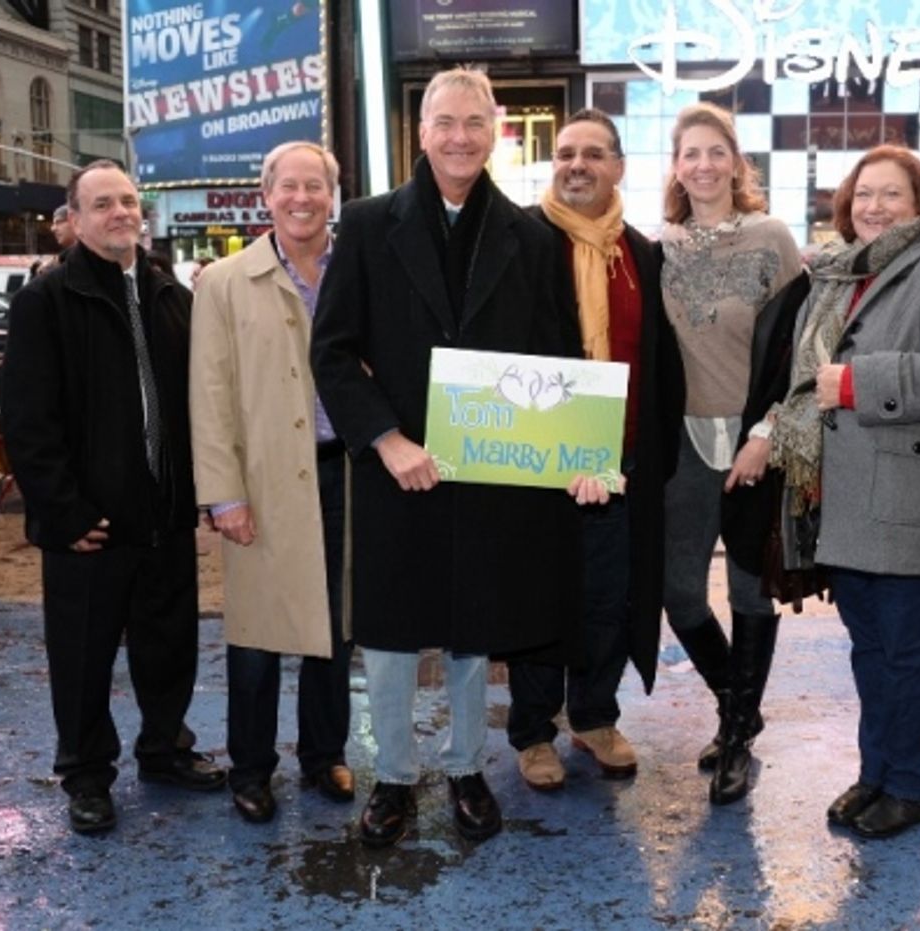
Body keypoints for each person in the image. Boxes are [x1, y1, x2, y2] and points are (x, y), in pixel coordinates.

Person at [312, 66, 590, 848]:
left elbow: (560, 360)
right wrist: (386, 438)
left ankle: (467, 767)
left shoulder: (534, 237)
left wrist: (574, 452)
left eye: (474, 122)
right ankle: (394, 777)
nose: (460, 137)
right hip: (397, 467)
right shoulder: (368, 224)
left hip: (491, 471)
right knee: (392, 634)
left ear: (495, 132)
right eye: (445, 122)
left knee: (474, 628)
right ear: (422, 131)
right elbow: (332, 351)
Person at [768, 145, 920, 839]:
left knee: (912, 658)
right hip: (855, 503)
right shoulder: (845, 272)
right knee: (871, 652)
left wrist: (855, 383)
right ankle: (876, 773)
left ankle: (909, 786)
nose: (874, 207)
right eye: (863, 195)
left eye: (890, 194)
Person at [1, 159, 226, 836]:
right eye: (102, 204)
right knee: (82, 656)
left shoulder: (170, 295)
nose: (120, 212)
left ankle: (165, 747)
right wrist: (63, 510)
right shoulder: (46, 301)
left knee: (169, 644)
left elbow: (198, 402)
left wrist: (198, 494)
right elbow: (28, 421)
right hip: (88, 524)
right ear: (73, 219)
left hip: (163, 516)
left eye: (128, 200)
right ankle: (86, 774)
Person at [505, 109, 682, 790]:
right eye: (566, 153)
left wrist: (653, 456)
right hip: (538, 462)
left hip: (620, 463)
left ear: (619, 168)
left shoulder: (641, 254)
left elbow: (659, 359)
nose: (576, 164)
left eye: (593, 154)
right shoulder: (521, 239)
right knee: (537, 597)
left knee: (609, 598)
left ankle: (595, 716)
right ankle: (532, 731)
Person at [190, 141, 354, 824]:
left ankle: (325, 754)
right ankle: (252, 767)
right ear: (266, 195)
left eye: (315, 185)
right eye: (288, 186)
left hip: (343, 474)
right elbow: (209, 393)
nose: (302, 198)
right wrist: (223, 494)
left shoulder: (357, 272)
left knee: (335, 629)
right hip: (261, 483)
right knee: (256, 637)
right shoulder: (225, 283)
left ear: (332, 195)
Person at [659, 103, 807, 805]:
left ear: (736, 162)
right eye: (691, 153)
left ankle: (736, 740)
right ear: (676, 166)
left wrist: (767, 432)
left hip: (754, 443)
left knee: (751, 591)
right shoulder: (660, 248)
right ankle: (738, 706)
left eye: (716, 152)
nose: (704, 165)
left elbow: (801, 347)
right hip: (684, 445)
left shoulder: (771, 238)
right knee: (680, 593)